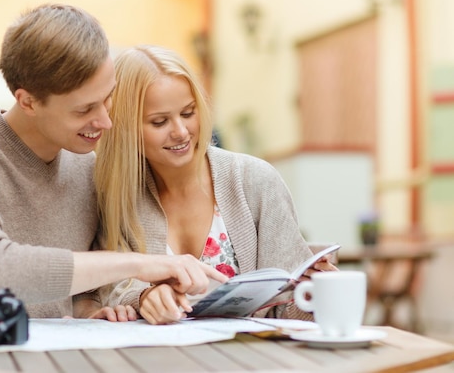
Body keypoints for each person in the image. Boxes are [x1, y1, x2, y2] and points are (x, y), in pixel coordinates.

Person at [0, 5, 227, 325]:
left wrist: (88, 308)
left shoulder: (88, 169)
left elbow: (80, 289)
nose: (106, 121)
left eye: (108, 97)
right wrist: (137, 264)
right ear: (28, 101)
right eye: (85, 109)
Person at [94, 45, 338, 325]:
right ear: (126, 128)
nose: (181, 132)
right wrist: (142, 297)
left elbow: (289, 311)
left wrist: (321, 293)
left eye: (188, 113)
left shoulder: (256, 181)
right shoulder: (114, 195)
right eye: (159, 121)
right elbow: (104, 289)